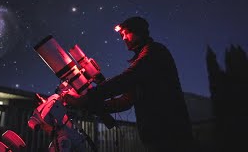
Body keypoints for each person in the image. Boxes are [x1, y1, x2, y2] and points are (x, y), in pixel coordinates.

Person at [61, 16, 195, 152]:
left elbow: (126, 79)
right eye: (122, 35)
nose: (123, 38)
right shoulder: (143, 58)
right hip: (156, 137)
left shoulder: (154, 52)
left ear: (138, 31)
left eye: (126, 33)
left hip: (171, 135)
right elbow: (125, 101)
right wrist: (89, 106)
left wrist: (85, 98)